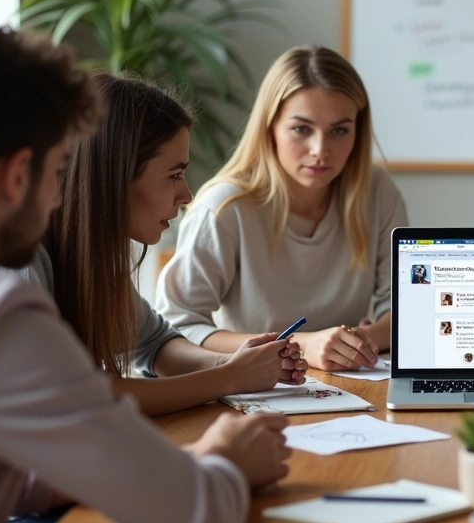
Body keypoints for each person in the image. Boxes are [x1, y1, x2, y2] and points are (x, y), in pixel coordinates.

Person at [0, 20, 289, 523]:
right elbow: (196, 514)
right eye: (58, 172)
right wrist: (225, 458)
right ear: (16, 177)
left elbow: (12, 475)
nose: (61, 196)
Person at [25, 73, 307, 417]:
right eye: (174, 175)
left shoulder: (91, 259)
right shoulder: (22, 263)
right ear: (115, 176)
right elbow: (75, 395)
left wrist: (235, 362)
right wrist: (230, 377)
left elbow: (155, 345)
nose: (186, 195)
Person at [156, 45, 409, 371]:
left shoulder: (377, 192)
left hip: (352, 387)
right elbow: (176, 326)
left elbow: (407, 307)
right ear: (269, 127)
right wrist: (304, 344)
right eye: (301, 129)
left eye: (339, 130)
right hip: (256, 394)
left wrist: (358, 339)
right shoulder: (223, 208)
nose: (320, 150)